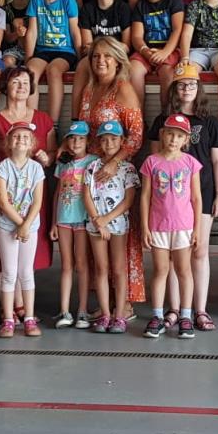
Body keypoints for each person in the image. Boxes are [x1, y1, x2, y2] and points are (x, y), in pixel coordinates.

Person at [151, 62, 218, 332]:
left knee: (199, 250)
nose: (187, 89)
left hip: (202, 192)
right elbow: (155, 162)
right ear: (174, 89)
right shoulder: (162, 121)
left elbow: (217, 161)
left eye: (192, 84)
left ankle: (200, 310)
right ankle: (174, 309)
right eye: (181, 85)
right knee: (173, 255)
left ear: (199, 88)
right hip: (170, 200)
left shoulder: (210, 122)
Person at [73, 37, 146, 311]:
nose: (100, 61)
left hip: (115, 174)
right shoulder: (90, 88)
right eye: (95, 56)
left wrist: (114, 162)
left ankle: (124, 302)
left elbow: (136, 135)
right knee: (97, 235)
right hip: (93, 171)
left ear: (117, 60)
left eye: (106, 56)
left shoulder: (123, 88)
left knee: (119, 238)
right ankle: (106, 304)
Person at [0, 66, 55, 312]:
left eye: (25, 82)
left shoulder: (43, 119)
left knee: (26, 249)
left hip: (31, 199)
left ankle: (22, 305)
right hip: (3, 198)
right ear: (5, 87)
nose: (21, 86)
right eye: (15, 81)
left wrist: (47, 157)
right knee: (0, 252)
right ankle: (10, 307)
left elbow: (51, 155)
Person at [139, 114, 203, 340]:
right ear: (162, 134)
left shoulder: (190, 163)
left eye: (179, 136)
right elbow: (145, 196)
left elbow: (196, 198)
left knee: (184, 271)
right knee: (160, 270)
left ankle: (185, 316)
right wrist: (145, 227)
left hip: (183, 226)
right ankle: (157, 316)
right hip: (158, 226)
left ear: (186, 139)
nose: (174, 139)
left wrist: (197, 229)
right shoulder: (151, 162)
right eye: (170, 134)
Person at [83, 119, 138, 334]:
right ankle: (105, 313)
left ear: (122, 141)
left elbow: (129, 199)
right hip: (96, 225)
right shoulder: (92, 167)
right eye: (104, 140)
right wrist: (97, 219)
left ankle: (119, 315)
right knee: (101, 268)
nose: (109, 144)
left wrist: (107, 219)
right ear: (99, 142)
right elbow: (87, 195)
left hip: (117, 225)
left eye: (113, 139)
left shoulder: (127, 168)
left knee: (118, 269)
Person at [0, 122, 47, 338]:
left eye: (25, 136)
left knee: (26, 272)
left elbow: (37, 201)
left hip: (29, 227)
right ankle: (8, 319)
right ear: (8, 142)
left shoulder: (36, 168)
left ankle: (29, 318)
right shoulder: (2, 168)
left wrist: (26, 226)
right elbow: (3, 202)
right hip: (7, 226)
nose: (20, 140)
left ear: (32, 143)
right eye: (16, 136)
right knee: (9, 273)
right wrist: (20, 224)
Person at [25, 0, 81, 129]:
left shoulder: (67, 0)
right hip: (43, 50)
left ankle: (53, 123)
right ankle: (31, 122)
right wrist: (28, 57)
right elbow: (32, 31)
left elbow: (74, 30)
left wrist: (79, 58)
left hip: (65, 51)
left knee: (54, 70)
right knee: (30, 71)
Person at [51, 121, 95, 329]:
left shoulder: (93, 161)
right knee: (66, 265)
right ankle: (65, 310)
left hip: (83, 218)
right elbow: (58, 192)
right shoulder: (63, 163)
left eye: (81, 138)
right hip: (63, 219)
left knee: (82, 265)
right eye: (72, 138)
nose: (76, 142)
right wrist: (53, 222)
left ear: (87, 141)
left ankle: (82, 311)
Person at [127, 0, 185, 103]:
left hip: (170, 49)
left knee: (167, 72)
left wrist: (165, 52)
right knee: (133, 69)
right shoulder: (140, 6)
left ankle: (166, 112)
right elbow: (136, 36)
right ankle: (137, 114)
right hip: (147, 50)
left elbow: (177, 29)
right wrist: (145, 51)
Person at [73, 0, 134, 91]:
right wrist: (109, 49)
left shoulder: (123, 9)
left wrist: (105, 52)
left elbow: (127, 46)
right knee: (82, 65)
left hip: (117, 56)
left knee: (116, 66)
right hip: (96, 56)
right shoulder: (87, 9)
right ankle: (78, 104)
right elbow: (87, 46)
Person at [0, 0, 34, 71]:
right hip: (12, 50)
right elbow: (7, 38)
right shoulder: (4, 10)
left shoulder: (35, 6)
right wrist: (17, 34)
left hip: (33, 48)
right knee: (7, 61)